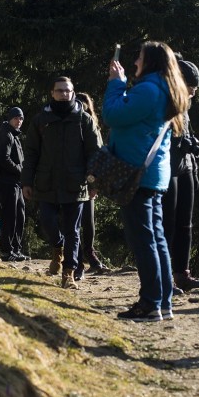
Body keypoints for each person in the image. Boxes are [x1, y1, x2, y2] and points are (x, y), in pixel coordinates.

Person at [103, 41, 190, 322]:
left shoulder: (150, 89)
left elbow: (113, 115)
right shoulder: (165, 89)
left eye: (139, 57)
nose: (136, 62)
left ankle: (151, 303)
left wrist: (117, 83)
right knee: (156, 239)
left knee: (144, 241)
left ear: (151, 61)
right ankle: (162, 301)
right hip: (153, 173)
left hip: (137, 174)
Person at [22, 77, 102, 289]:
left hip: (75, 185)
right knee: (47, 222)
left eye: (68, 90)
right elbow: (30, 153)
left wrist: (93, 182)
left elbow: (95, 153)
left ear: (73, 92)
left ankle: (69, 273)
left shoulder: (84, 119)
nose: (64, 94)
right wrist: (26, 182)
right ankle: (57, 247)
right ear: (52, 93)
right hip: (46, 182)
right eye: (60, 91)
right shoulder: (40, 120)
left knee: (72, 231)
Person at [162, 58, 199, 293]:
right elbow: (161, 137)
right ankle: (164, 275)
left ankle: (182, 272)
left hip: (186, 167)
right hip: (168, 167)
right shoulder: (165, 102)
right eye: (191, 88)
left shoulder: (185, 103)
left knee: (185, 225)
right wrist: (181, 143)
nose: (193, 93)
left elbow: (186, 132)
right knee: (168, 224)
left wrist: (191, 151)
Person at [73, 93, 109, 280]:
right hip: (74, 180)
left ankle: (90, 253)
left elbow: (99, 156)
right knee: (75, 223)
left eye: (86, 104)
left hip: (90, 180)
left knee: (89, 222)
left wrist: (95, 183)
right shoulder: (72, 125)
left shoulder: (94, 127)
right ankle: (76, 260)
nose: (83, 107)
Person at [0, 107, 28, 261]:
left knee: (19, 214)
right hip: (7, 182)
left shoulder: (14, 135)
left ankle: (16, 249)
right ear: (10, 118)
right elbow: (4, 158)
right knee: (10, 216)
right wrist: (20, 170)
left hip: (16, 182)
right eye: (16, 118)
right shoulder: (6, 134)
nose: (19, 121)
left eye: (21, 119)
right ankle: (7, 251)